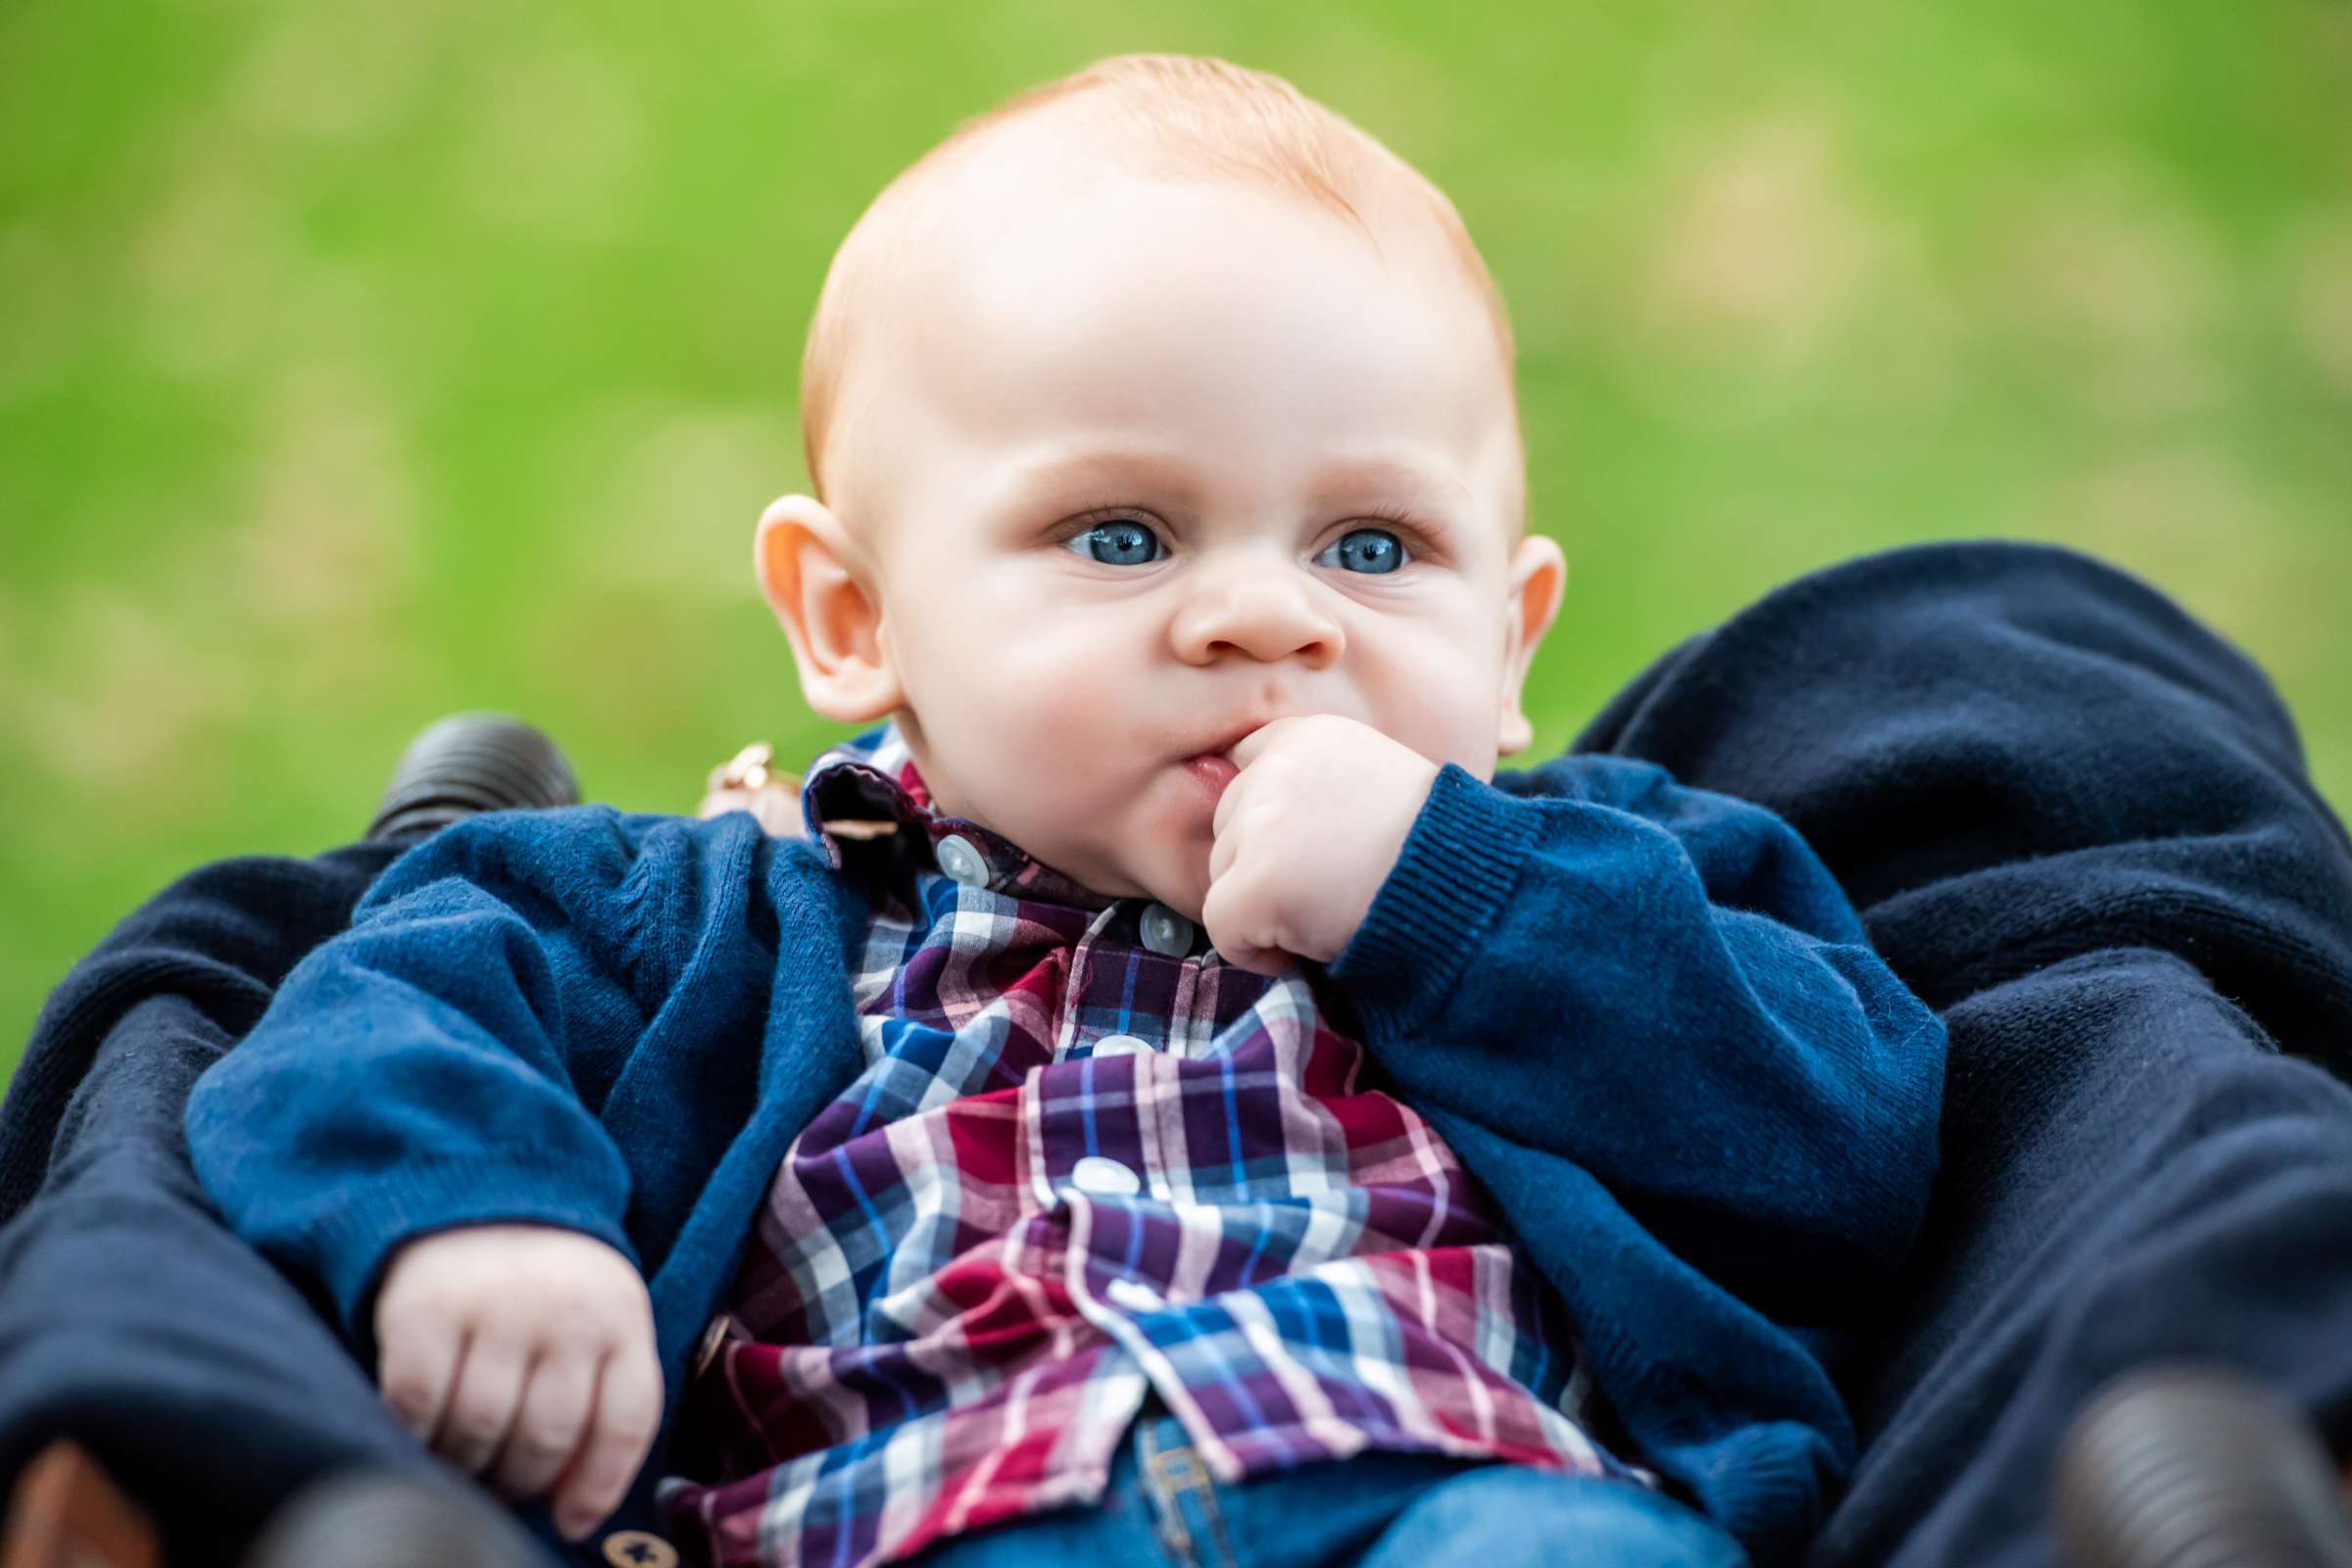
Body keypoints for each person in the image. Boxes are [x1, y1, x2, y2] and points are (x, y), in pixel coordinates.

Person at [174, 54, 1943, 1568]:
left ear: (1508, 637)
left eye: (1374, 547)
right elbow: (372, 1004)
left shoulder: (1586, 882)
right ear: (856, 617)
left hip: (1459, 1493)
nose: (1267, 615)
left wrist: (1446, 891)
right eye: (1122, 537)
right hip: (927, 1511)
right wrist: (481, 1216)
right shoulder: (717, 908)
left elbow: (1847, 1144)